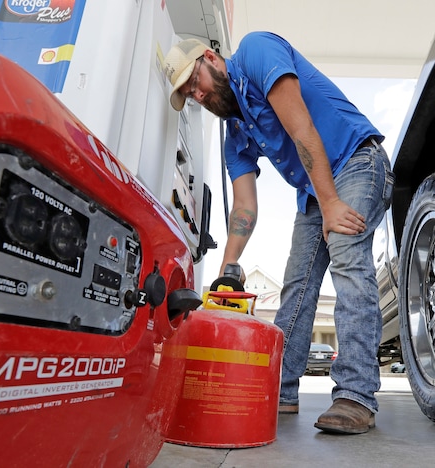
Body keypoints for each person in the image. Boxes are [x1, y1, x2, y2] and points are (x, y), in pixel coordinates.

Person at [163, 32, 394, 435]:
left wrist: (333, 204)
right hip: (315, 191)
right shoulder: (235, 135)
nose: (197, 95)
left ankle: (356, 396)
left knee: (345, 252)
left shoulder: (256, 52)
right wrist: (226, 269)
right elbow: (245, 208)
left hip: (356, 161)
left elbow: (302, 128)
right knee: (296, 286)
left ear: (212, 58)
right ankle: (278, 391)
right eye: (188, 94)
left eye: (193, 81)